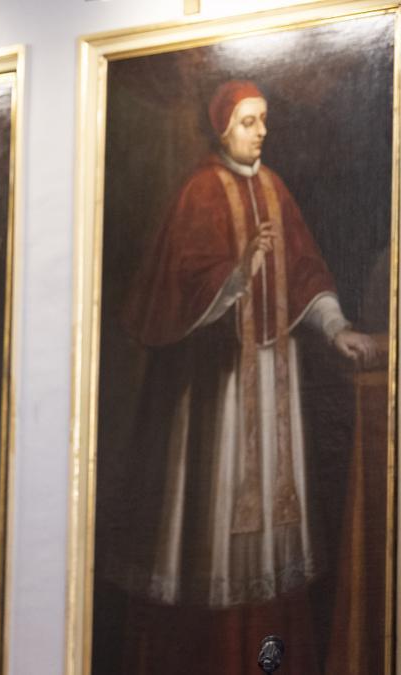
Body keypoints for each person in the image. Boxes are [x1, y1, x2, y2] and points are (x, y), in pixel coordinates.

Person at [103, 80, 380, 674]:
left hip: (272, 378)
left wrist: (336, 330)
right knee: (209, 524)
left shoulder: (275, 189)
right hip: (215, 392)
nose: (261, 131)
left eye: (263, 121)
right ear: (224, 127)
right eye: (250, 122)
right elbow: (174, 292)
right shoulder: (199, 191)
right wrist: (239, 271)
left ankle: (268, 656)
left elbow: (306, 273)